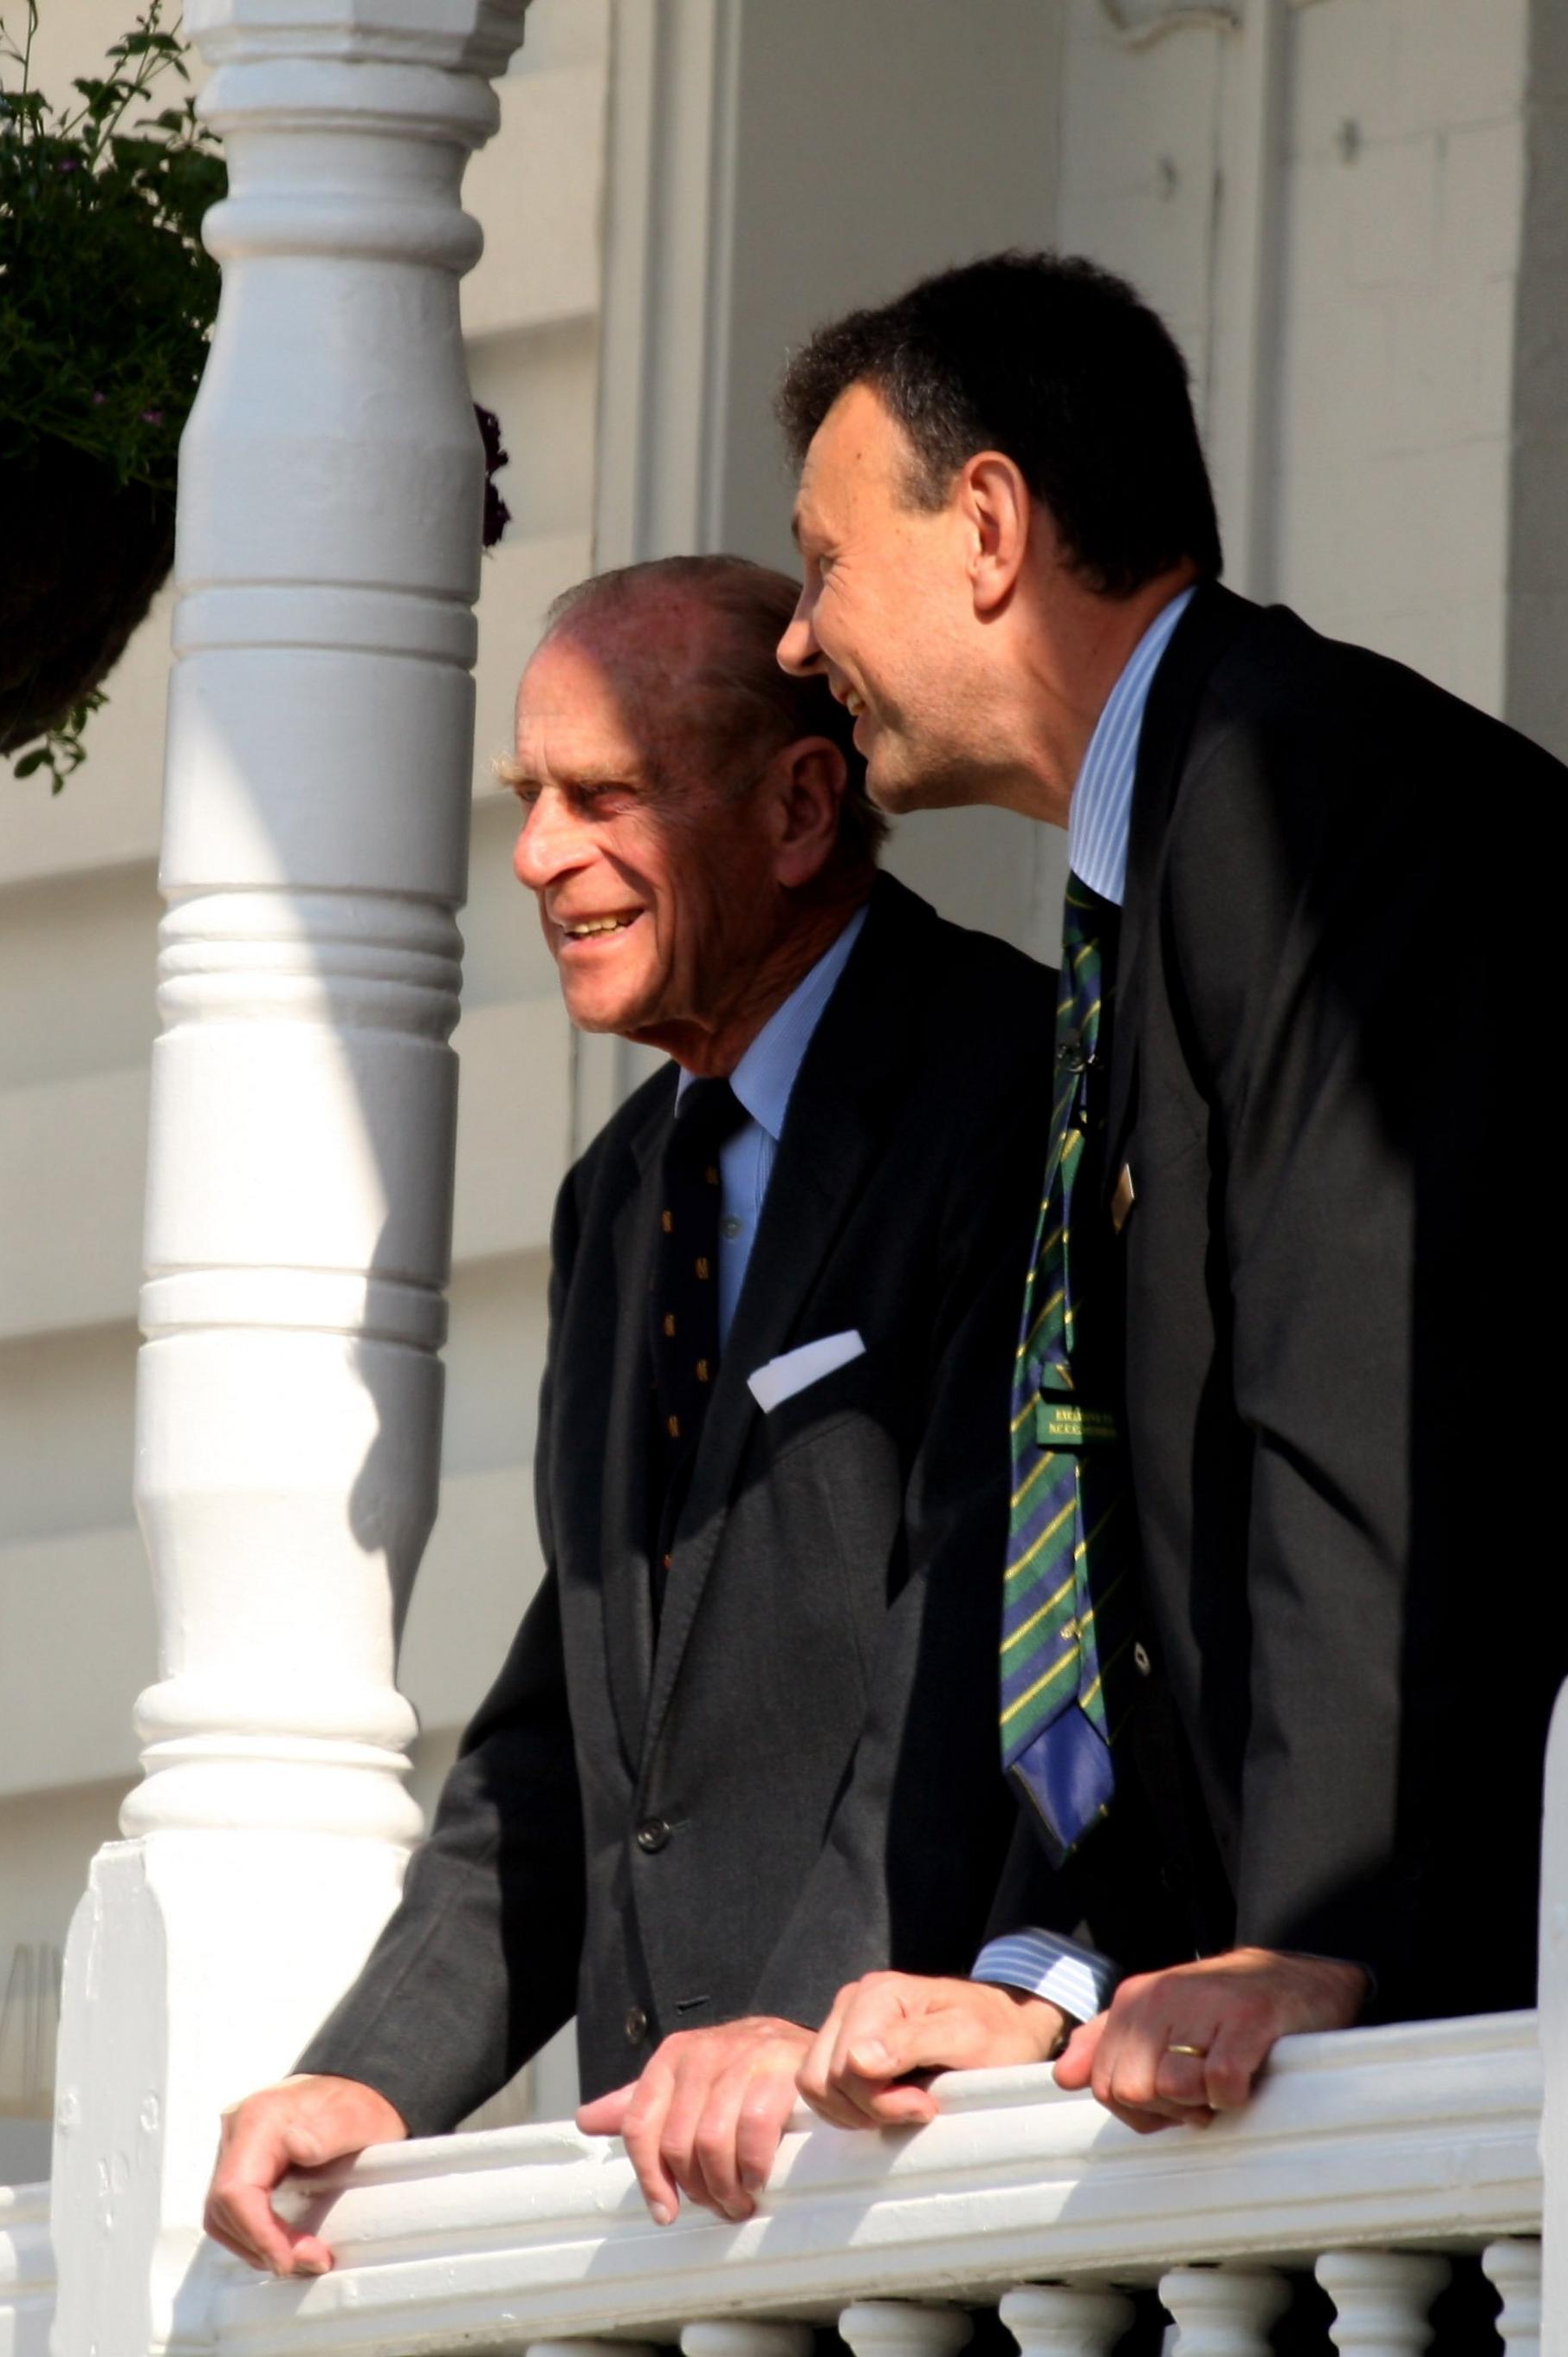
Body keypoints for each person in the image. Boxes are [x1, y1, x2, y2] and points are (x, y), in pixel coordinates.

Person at [772, 253, 1568, 2149]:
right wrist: (1054, 1970)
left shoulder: (1296, 796)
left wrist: (1313, 1932)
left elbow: (1366, 1404)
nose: (795, 638)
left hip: (1451, 2024)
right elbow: (1122, 1507)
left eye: (827, 562)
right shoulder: (1166, 831)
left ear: (988, 524)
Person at [201, 556, 1044, 2274]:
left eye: (605, 796)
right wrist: (370, 2073)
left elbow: (979, 1623)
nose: (535, 856)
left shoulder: (1008, 1080)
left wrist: (808, 2011)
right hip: (675, 2216)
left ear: (803, 803)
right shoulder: (622, 1190)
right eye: (531, 800)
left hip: (922, 2182)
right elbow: (569, 1727)